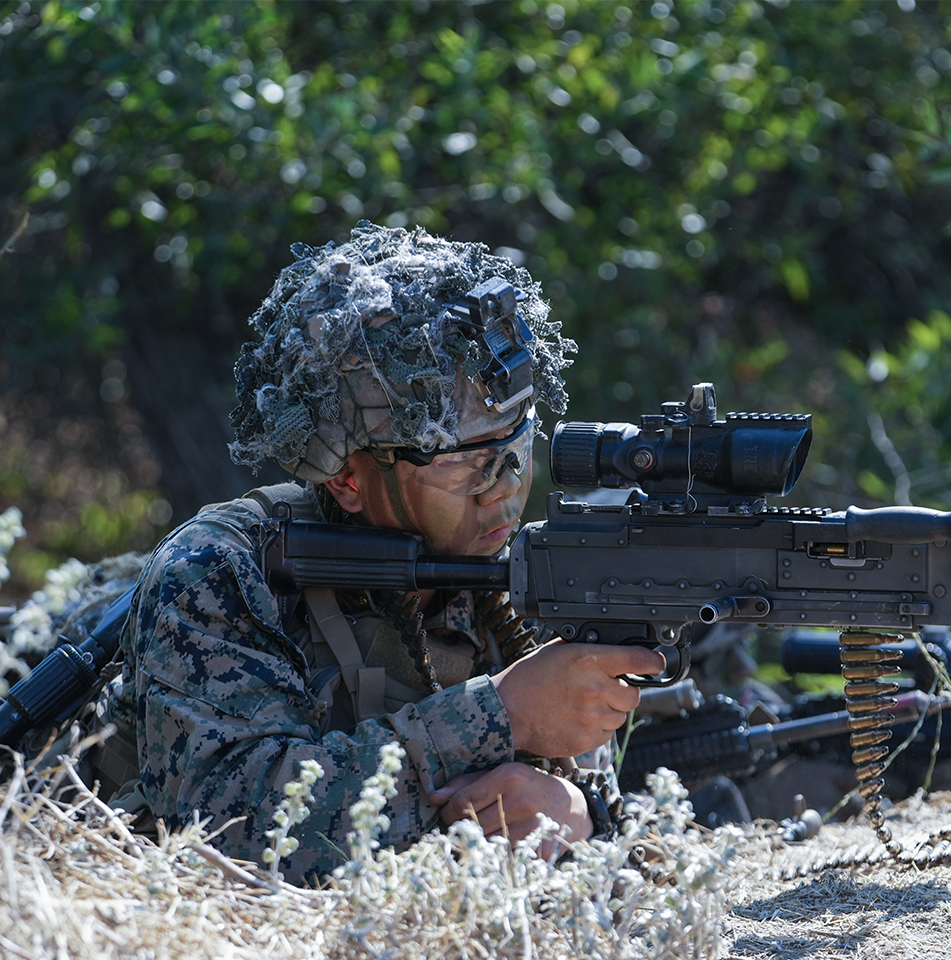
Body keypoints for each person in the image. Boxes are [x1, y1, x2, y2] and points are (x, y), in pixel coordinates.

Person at [95, 221, 665, 879]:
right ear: (347, 478)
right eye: (469, 463)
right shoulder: (223, 573)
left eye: (517, 447)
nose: (506, 489)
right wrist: (499, 715)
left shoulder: (509, 573)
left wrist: (578, 807)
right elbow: (224, 829)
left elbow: (617, 803)